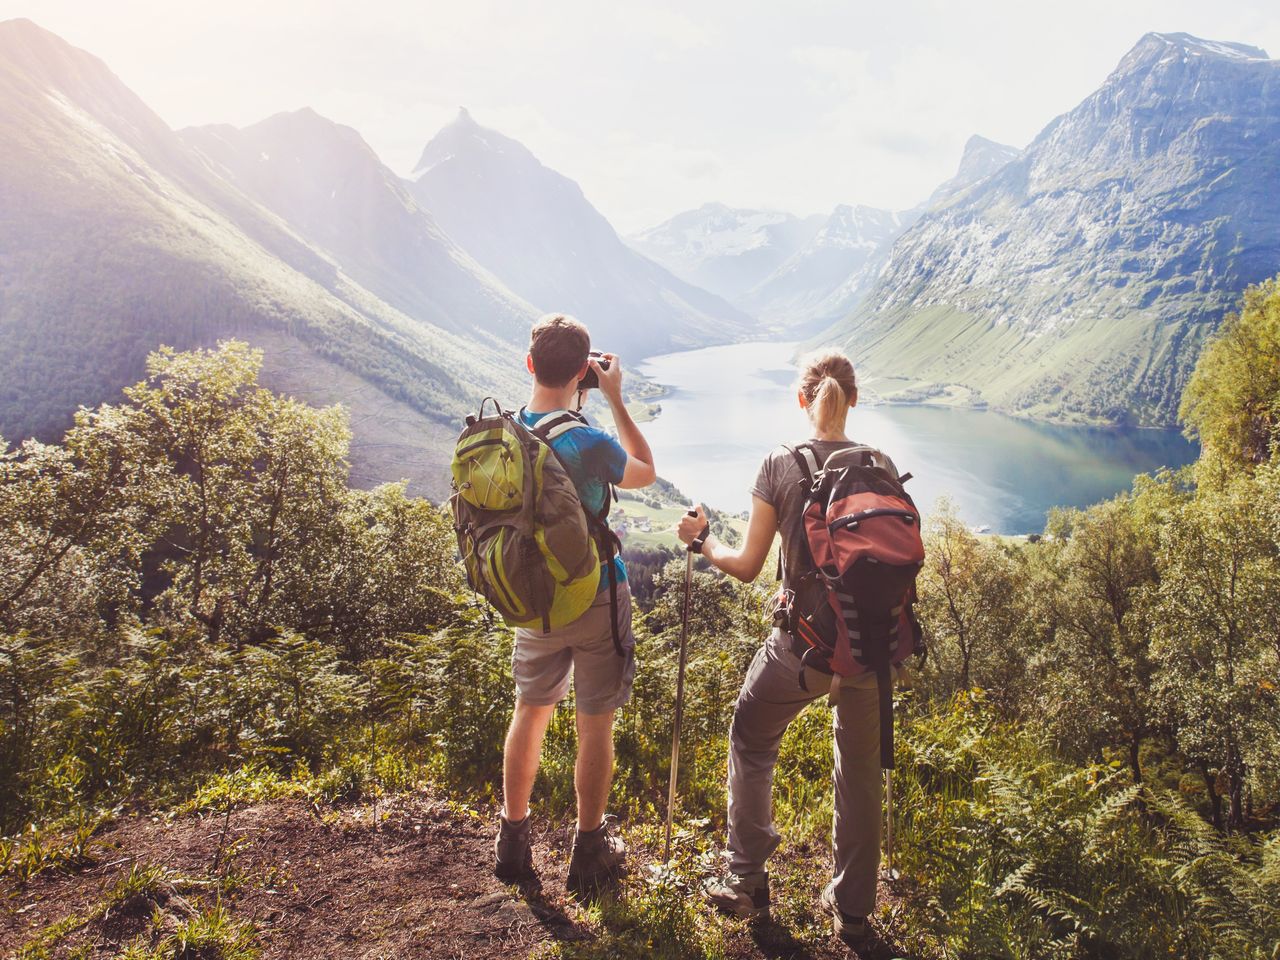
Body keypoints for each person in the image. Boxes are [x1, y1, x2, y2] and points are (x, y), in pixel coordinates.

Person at [677, 350, 893, 946]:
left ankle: (745, 878)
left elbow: (747, 567)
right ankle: (853, 910)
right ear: (853, 400)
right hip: (872, 652)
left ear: (803, 400)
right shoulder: (880, 462)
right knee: (859, 773)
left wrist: (703, 543)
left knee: (751, 735)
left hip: (803, 650)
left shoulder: (782, 462)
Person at [494, 313, 657, 894]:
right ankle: (589, 849)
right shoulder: (586, 439)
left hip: (533, 599)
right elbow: (645, 472)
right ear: (584, 373)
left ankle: (513, 841)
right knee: (595, 723)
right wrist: (615, 399)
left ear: (530, 363)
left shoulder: (507, 432)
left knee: (530, 711)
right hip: (594, 596)